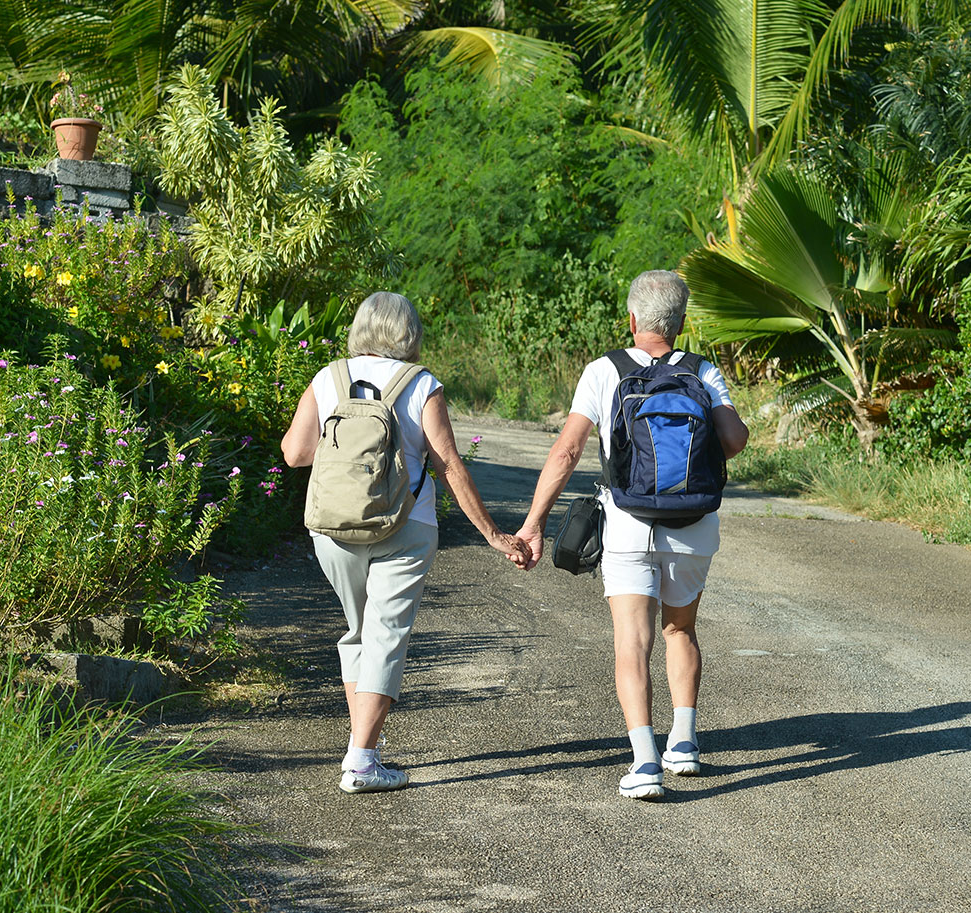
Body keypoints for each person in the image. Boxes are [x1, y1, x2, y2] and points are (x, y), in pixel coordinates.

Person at [282, 291, 529, 794]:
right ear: (409, 334)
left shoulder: (327, 378)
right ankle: (361, 759)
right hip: (405, 525)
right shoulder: (421, 385)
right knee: (387, 635)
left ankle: (361, 749)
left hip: (332, 527)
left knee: (359, 633)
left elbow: (294, 453)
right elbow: (449, 466)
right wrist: (494, 534)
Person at [514, 270, 749, 799]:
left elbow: (567, 451)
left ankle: (645, 763)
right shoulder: (703, 372)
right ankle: (683, 744)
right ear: (681, 321)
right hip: (693, 525)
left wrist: (534, 524)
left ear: (632, 319)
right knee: (679, 631)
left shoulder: (604, 371)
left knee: (632, 641)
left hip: (626, 524)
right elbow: (734, 440)